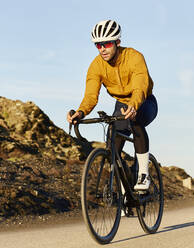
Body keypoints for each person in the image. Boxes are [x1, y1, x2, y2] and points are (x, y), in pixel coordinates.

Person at [67, 20, 158, 191]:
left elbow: (140, 85)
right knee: (112, 145)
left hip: (144, 101)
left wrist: (134, 105)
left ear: (117, 42)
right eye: (98, 45)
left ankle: (143, 174)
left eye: (107, 44)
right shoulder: (96, 66)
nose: (102, 49)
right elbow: (90, 96)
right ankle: (126, 189)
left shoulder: (134, 57)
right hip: (121, 104)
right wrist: (80, 112)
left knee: (135, 120)